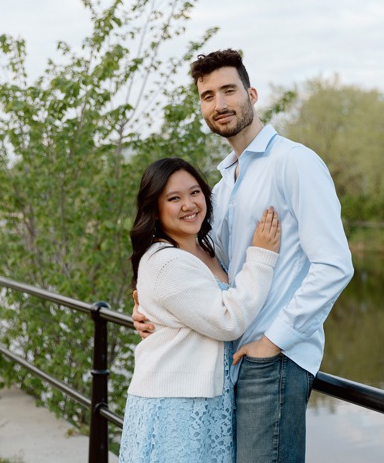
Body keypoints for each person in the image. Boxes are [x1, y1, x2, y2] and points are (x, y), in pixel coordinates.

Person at [133, 49, 354, 463]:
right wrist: (149, 304)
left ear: (251, 94)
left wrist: (274, 342)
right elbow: (199, 267)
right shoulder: (222, 186)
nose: (219, 104)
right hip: (229, 359)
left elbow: (334, 265)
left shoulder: (294, 163)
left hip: (274, 359)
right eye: (207, 96)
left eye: (228, 90)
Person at [119, 157, 281, 463]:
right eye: (174, 198)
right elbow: (228, 319)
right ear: (155, 209)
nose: (189, 204)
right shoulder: (166, 261)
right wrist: (261, 256)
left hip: (207, 401)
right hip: (175, 407)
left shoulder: (204, 247)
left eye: (194, 193)